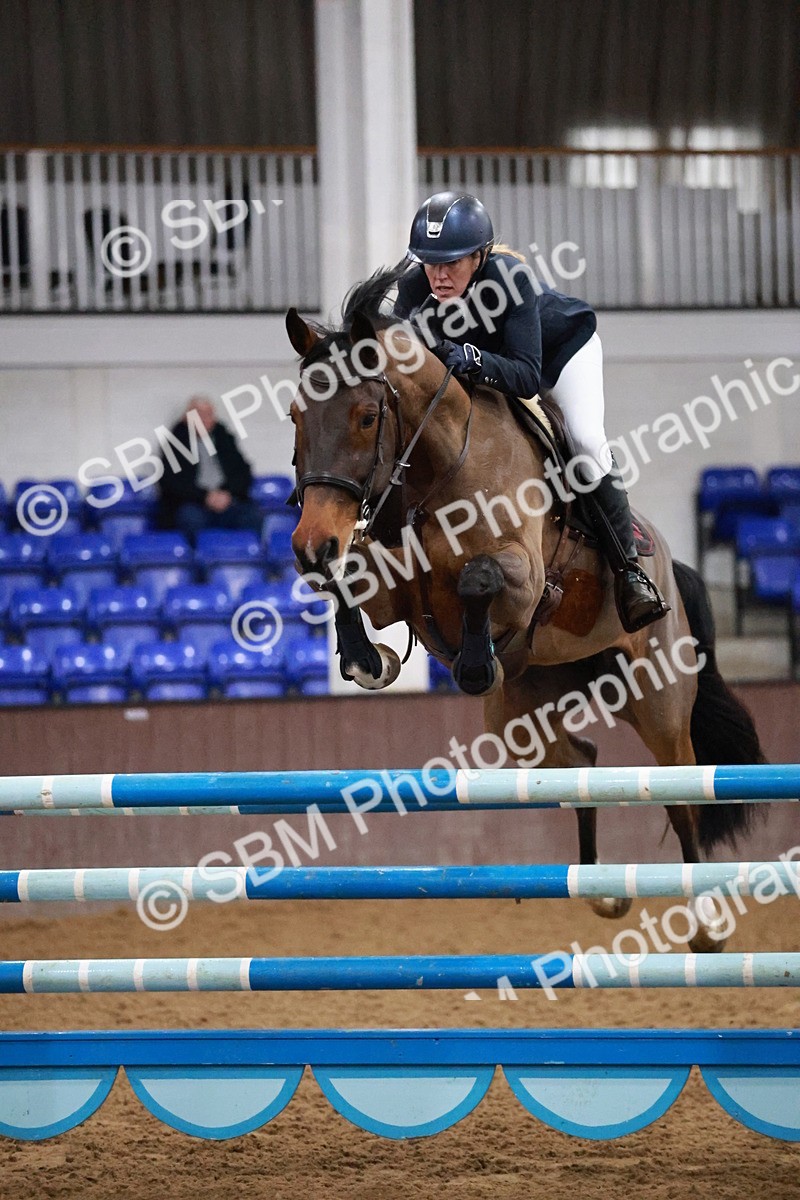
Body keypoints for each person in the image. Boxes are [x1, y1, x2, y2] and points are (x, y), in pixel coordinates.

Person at [393, 190, 669, 634]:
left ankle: (630, 571)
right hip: (489, 366)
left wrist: (467, 356)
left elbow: (525, 376)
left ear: (480, 256)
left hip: (560, 356)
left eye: (452, 263)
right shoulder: (414, 288)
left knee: (583, 437)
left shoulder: (509, 278)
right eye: (430, 262)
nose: (439, 275)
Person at [157, 397, 262, 541]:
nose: (204, 419)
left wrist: (227, 494)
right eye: (199, 414)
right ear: (186, 417)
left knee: (252, 515)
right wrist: (206, 496)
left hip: (227, 499)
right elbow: (171, 482)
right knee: (190, 518)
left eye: (208, 414)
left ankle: (245, 561)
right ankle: (198, 561)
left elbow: (243, 473)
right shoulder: (175, 442)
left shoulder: (224, 437)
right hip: (193, 503)